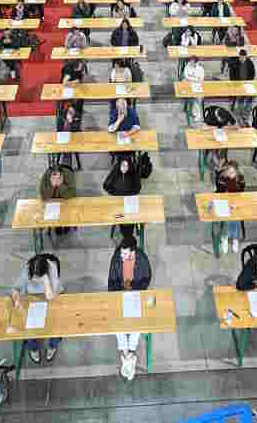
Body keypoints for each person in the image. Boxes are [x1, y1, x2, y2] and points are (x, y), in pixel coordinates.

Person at [107, 237, 152, 380]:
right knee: (117, 321)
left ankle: (127, 353)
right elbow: (111, 281)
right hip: (119, 294)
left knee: (137, 322)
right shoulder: (116, 258)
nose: (121, 256)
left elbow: (146, 278)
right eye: (121, 253)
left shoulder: (142, 259)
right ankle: (129, 355)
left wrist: (136, 292)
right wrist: (119, 296)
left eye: (125, 254)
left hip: (136, 294)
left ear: (133, 253)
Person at [13, 254, 62, 364]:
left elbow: (51, 296)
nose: (34, 279)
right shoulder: (27, 268)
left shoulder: (52, 268)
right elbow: (16, 288)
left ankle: (52, 345)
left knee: (56, 324)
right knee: (28, 326)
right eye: (33, 276)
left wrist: (45, 280)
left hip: (51, 298)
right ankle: (33, 348)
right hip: (32, 300)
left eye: (37, 277)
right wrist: (16, 297)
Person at [102, 154, 142, 241]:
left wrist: (129, 194)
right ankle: (126, 234)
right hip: (117, 202)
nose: (125, 168)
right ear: (119, 165)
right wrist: (115, 193)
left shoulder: (133, 174)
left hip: (130, 201)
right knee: (121, 218)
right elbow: (106, 186)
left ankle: (129, 234)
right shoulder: (115, 173)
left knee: (129, 218)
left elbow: (138, 188)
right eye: (123, 165)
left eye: (127, 166)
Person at [215, 159, 246, 254]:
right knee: (227, 217)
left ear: (236, 172)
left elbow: (241, 192)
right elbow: (220, 193)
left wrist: (234, 203)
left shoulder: (240, 178)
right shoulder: (221, 178)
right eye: (228, 171)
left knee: (235, 217)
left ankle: (235, 238)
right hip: (222, 201)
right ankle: (225, 237)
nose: (230, 173)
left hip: (235, 201)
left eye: (232, 172)